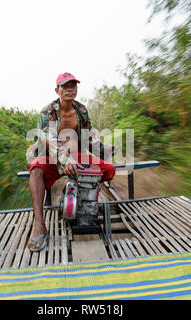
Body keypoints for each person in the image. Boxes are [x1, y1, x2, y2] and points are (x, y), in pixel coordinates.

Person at [27, 72, 116, 251]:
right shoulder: (48, 112)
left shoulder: (81, 110)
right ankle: (39, 224)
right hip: (52, 156)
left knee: (109, 170)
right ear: (57, 90)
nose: (70, 89)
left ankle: (83, 202)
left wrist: (104, 149)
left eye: (73, 86)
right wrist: (65, 159)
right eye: (65, 86)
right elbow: (50, 139)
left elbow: (88, 136)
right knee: (36, 169)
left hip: (76, 154)